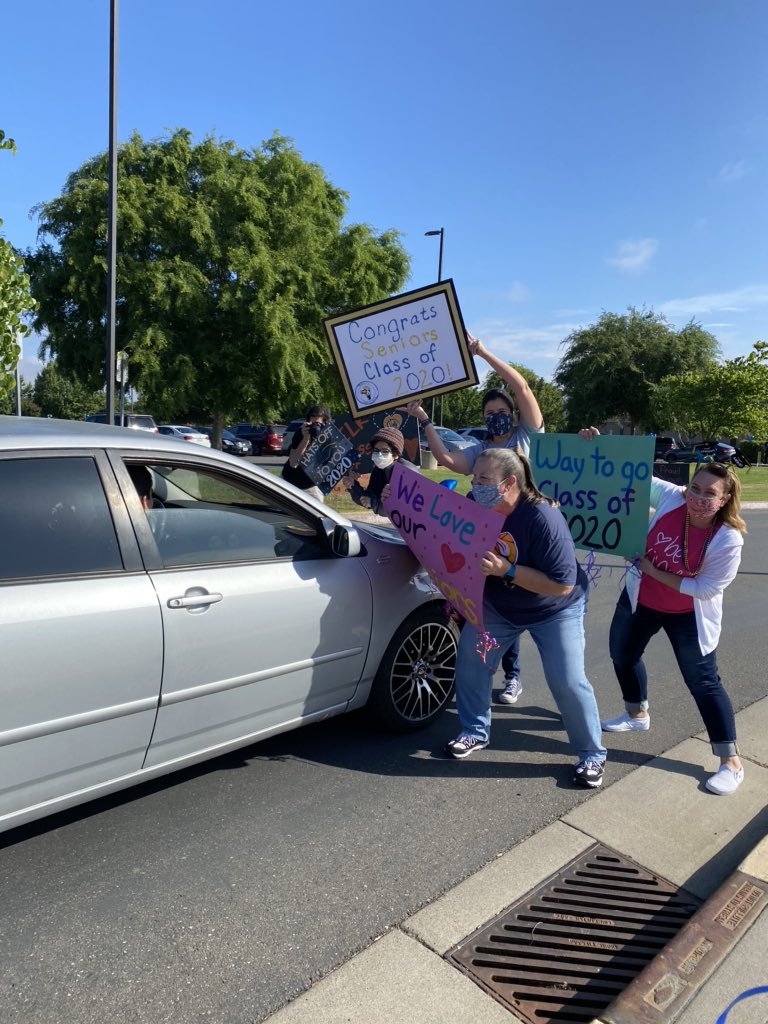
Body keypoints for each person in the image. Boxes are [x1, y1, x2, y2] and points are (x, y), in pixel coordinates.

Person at [580, 428, 747, 795]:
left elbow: (706, 588)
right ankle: (636, 713)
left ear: (725, 499)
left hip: (688, 614)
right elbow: (630, 472)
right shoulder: (673, 499)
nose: (699, 498)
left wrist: (654, 570)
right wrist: (596, 445)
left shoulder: (727, 538)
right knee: (622, 655)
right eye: (696, 490)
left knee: (703, 682)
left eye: (710, 494)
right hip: (641, 600)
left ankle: (730, 762)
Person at [446, 447, 607, 789]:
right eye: (474, 478)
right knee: (472, 661)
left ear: (509, 483)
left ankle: (592, 753)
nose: (476, 485)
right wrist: (388, 499)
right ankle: (475, 731)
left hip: (554, 608)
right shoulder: (476, 504)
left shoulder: (543, 519)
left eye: (484, 479)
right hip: (501, 606)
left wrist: (507, 570)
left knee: (567, 679)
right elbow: (438, 525)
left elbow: (562, 586)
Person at [404, 332, 546, 707]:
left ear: (513, 414)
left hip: (523, 535)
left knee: (514, 606)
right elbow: (448, 461)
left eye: (501, 412)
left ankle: (512, 676)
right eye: (489, 415)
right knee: (485, 605)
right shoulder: (482, 448)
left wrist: (482, 352)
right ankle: (478, 674)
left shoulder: (528, 436)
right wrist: (424, 421)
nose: (496, 419)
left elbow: (522, 386)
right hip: (487, 536)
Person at [343, 426, 417, 515]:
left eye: (385, 451)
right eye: (376, 450)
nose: (379, 454)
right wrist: (353, 486)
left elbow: (401, 509)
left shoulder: (406, 472)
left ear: (396, 454)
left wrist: (373, 503)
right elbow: (369, 497)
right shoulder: (378, 470)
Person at [281, 404, 331, 502]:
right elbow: (293, 463)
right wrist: (305, 439)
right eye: (312, 422)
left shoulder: (330, 438)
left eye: (318, 423)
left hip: (310, 486)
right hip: (288, 481)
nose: (315, 427)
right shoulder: (301, 432)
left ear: (325, 423)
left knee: (316, 515)